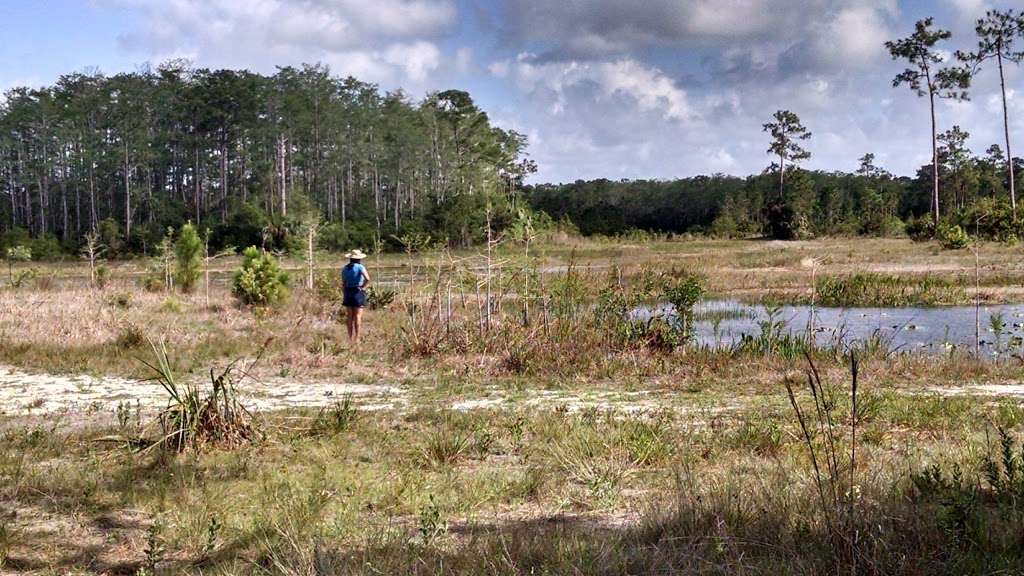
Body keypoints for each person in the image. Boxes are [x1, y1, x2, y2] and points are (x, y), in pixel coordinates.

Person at [341, 249, 371, 343]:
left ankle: (350, 337)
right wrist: (363, 287)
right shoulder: (360, 267)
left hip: (348, 292)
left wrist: (345, 292)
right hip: (357, 291)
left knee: (349, 316)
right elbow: (367, 278)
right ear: (359, 259)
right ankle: (357, 338)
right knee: (358, 316)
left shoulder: (345, 268)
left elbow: (344, 283)